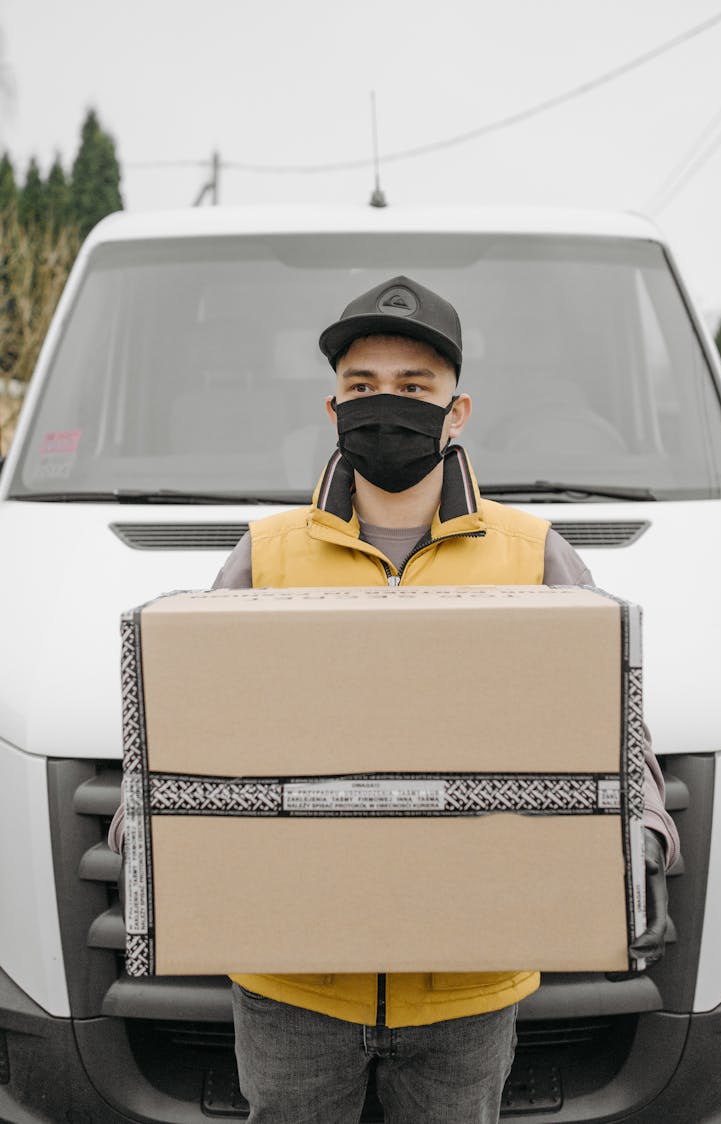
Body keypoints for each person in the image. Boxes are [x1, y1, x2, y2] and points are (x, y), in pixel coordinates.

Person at [109, 275, 679, 1124]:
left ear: (458, 411)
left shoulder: (535, 556)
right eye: (362, 388)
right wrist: (146, 834)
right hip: (290, 987)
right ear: (332, 407)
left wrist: (645, 834)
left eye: (414, 389)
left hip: (468, 992)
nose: (387, 407)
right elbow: (190, 727)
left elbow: (619, 742)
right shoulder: (264, 556)